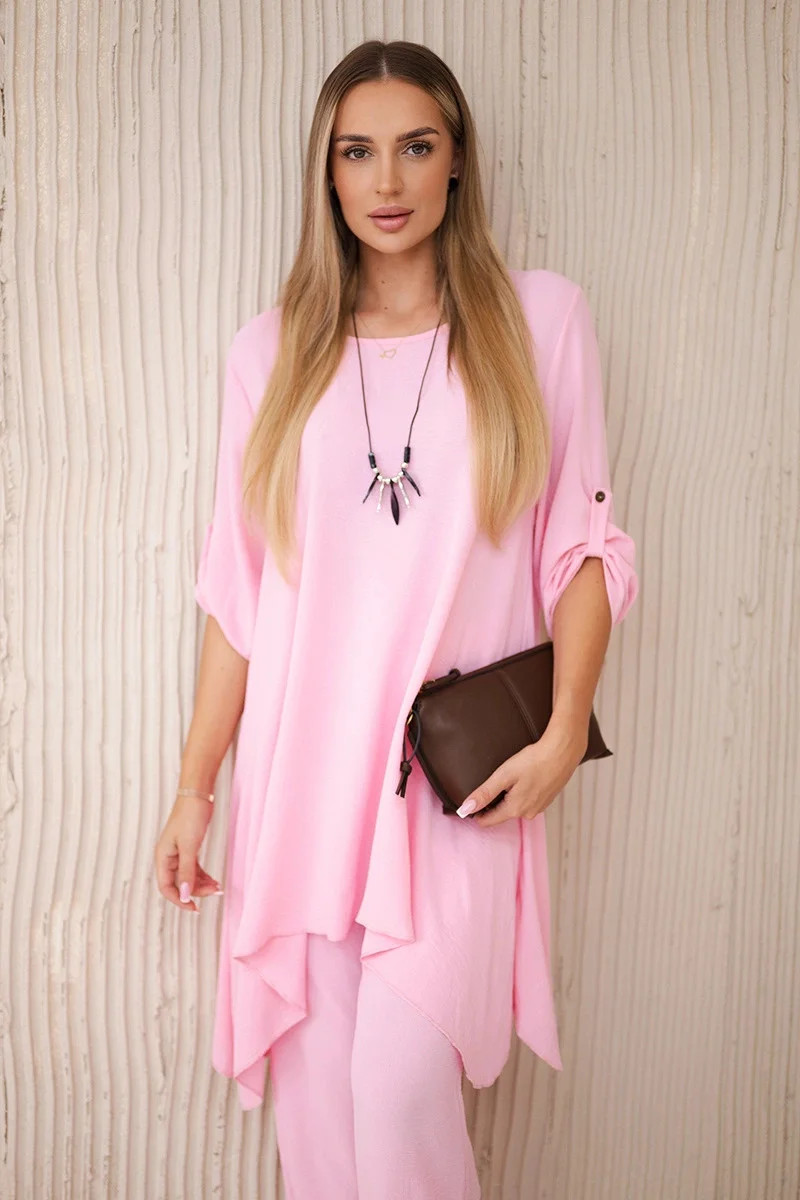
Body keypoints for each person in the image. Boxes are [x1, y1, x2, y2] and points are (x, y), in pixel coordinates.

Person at [153, 38, 639, 1200]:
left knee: (398, 1094)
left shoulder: (538, 322)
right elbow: (239, 594)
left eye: (414, 147)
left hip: (455, 783)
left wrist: (562, 733)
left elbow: (580, 546)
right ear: (324, 172)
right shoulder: (271, 352)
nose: (385, 181)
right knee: (323, 1129)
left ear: (455, 159)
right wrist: (195, 788)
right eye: (355, 152)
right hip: (302, 786)